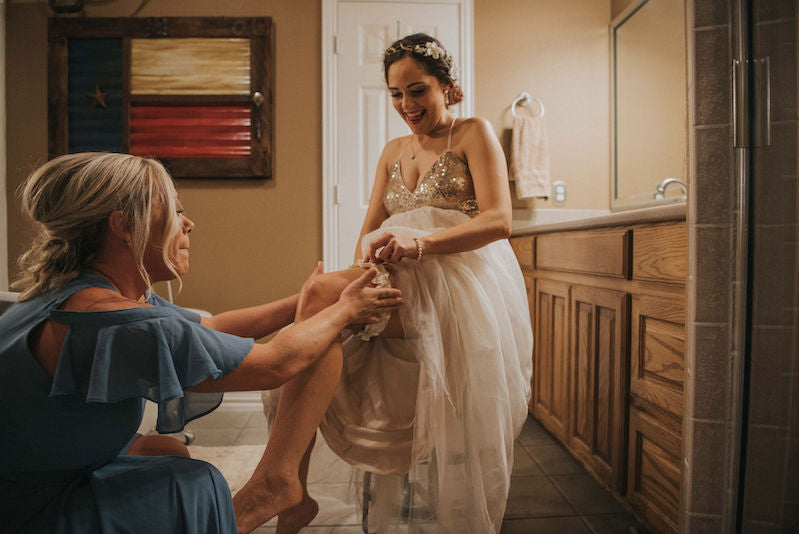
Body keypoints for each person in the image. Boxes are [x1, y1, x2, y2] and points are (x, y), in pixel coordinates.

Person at [0, 152, 403, 534]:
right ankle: (274, 484)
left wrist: (309, 300)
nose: (188, 223)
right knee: (195, 483)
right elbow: (276, 364)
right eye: (174, 210)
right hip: (29, 509)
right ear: (123, 226)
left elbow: (212, 326)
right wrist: (344, 311)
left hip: (31, 470)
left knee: (167, 452)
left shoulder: (79, 291)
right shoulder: (109, 320)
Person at [270, 34, 533, 533]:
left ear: (447, 88)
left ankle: (283, 483)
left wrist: (420, 246)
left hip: (459, 286)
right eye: (396, 94)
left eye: (418, 91)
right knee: (316, 306)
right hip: (401, 283)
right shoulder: (393, 150)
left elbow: (500, 222)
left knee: (312, 303)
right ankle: (287, 484)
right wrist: (361, 274)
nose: (406, 105)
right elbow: (367, 232)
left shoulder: (473, 133)